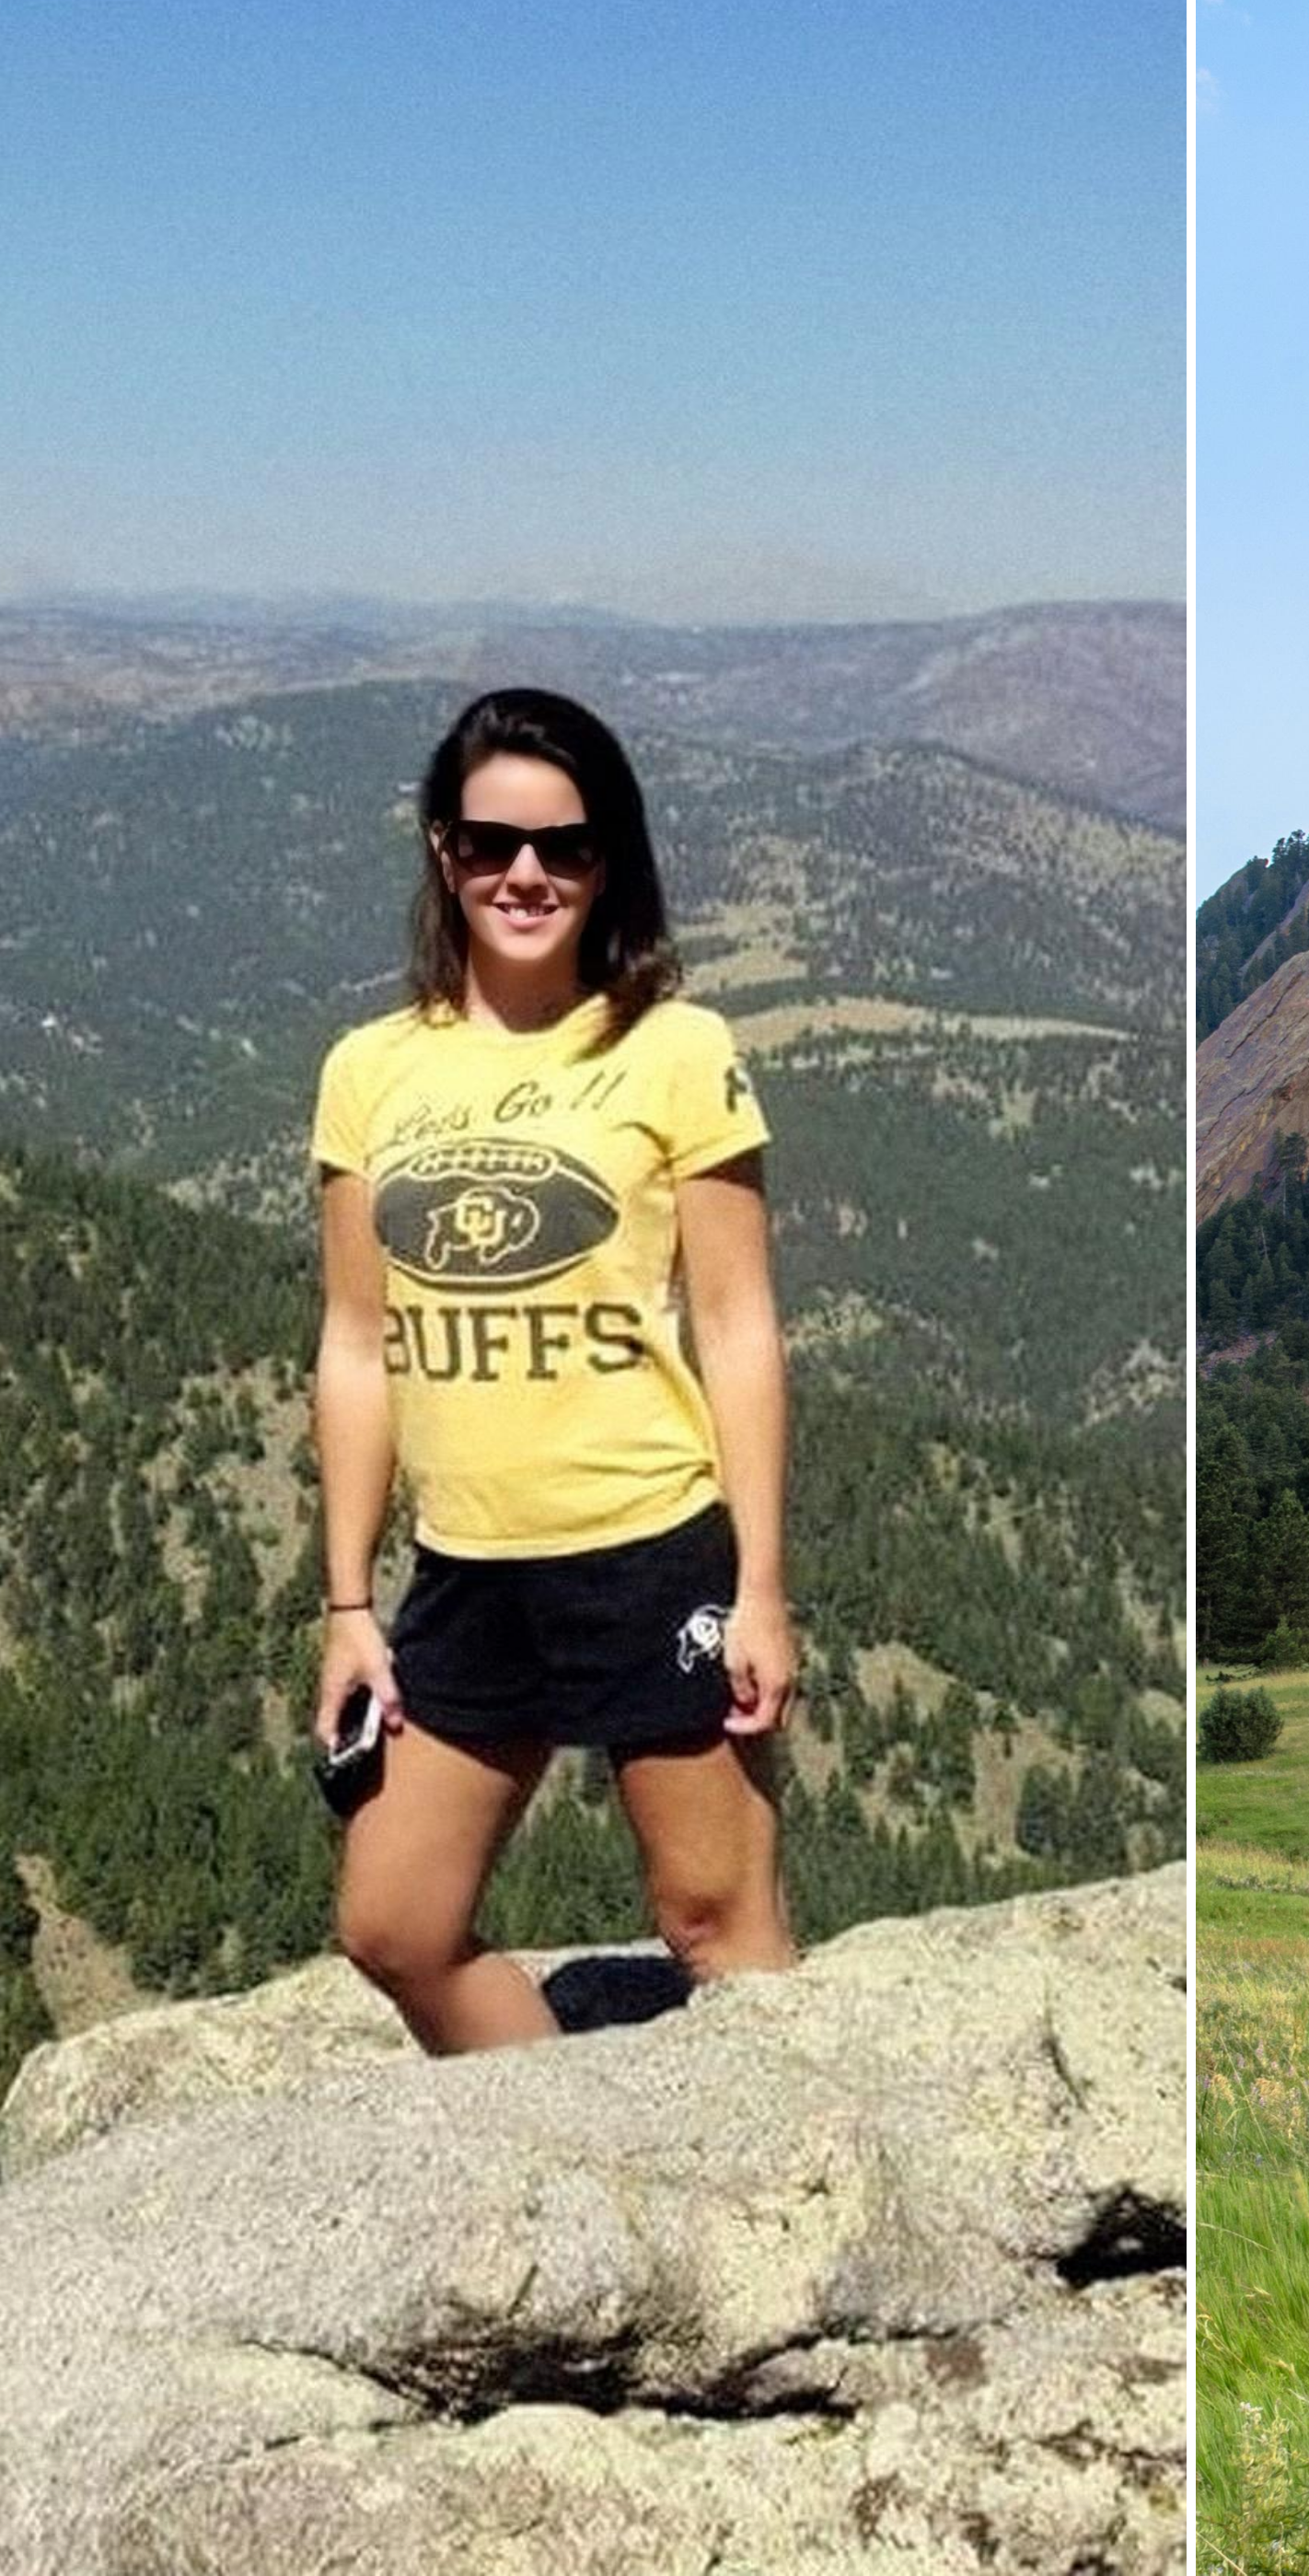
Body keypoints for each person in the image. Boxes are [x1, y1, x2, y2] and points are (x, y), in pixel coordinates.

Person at [307, 687, 797, 2050]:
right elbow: (357, 1343)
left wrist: (758, 1586)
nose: (527, 874)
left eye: (566, 847)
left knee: (716, 1923)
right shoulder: (368, 1072)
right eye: (491, 844)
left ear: (610, 859)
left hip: (650, 1547)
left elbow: (740, 1323)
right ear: (442, 852)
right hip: (466, 1569)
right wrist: (350, 1602)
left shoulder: (675, 1048)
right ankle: (566, 2163)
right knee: (394, 1925)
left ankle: (786, 2225)